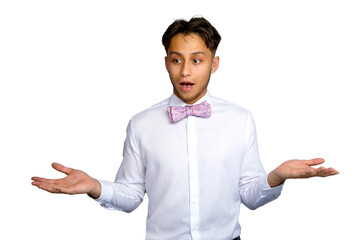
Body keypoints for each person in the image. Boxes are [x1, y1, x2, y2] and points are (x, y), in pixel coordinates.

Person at [31, 17, 339, 240]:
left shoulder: (240, 119)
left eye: (197, 60)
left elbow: (250, 195)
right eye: (177, 60)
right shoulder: (142, 124)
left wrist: (276, 176)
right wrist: (94, 187)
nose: (186, 70)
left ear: (214, 64)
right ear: (166, 63)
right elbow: (131, 195)